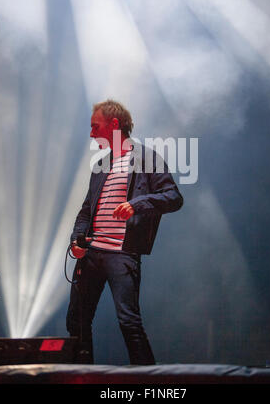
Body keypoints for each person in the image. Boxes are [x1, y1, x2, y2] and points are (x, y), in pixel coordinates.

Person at [66, 99, 183, 365]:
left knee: (129, 322)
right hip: (91, 255)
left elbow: (174, 197)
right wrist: (77, 241)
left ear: (115, 124)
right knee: (77, 322)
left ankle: (151, 385)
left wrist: (136, 204)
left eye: (96, 126)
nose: (92, 133)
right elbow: (86, 211)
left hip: (122, 254)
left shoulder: (146, 158)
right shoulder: (101, 164)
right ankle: (82, 376)